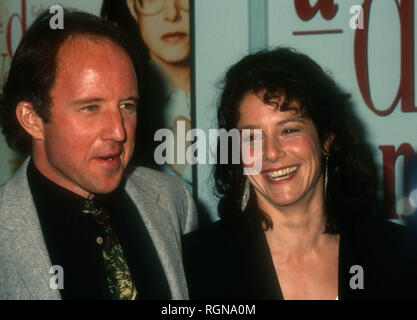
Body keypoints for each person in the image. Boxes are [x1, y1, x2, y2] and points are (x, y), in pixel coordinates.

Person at [182, 47, 417, 300]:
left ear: (326, 138)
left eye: (289, 130)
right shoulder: (195, 263)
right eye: (252, 137)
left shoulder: (396, 254)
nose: (271, 153)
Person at [0, 9, 197, 300]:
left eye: (127, 106)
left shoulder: (171, 199)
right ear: (32, 119)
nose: (118, 131)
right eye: (91, 108)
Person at [101, 0, 192, 186]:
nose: (171, 14)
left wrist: (190, 168)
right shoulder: (118, 108)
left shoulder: (235, 93)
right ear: (133, 9)